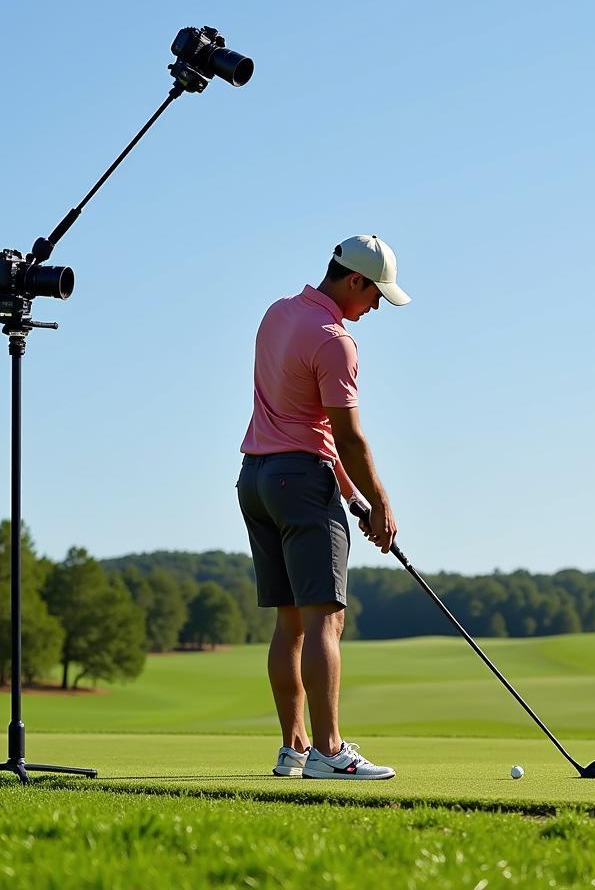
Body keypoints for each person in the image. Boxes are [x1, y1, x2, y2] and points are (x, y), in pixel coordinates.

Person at [236, 234, 410, 780]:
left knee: (290, 622)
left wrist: (352, 498)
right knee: (325, 620)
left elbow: (300, 420)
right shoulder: (335, 341)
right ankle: (330, 752)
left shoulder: (278, 313)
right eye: (375, 293)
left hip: (256, 477)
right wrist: (381, 502)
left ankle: (294, 747)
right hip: (301, 482)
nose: (377, 305)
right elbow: (347, 437)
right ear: (354, 280)